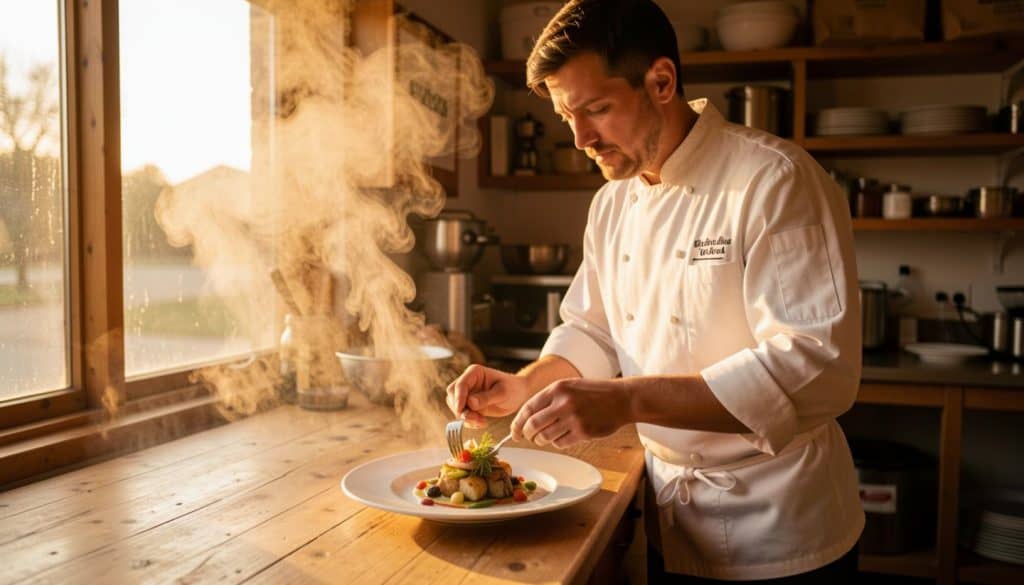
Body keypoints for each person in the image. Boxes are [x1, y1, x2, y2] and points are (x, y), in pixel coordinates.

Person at [446, 0, 864, 581]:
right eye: (567, 116)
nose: (581, 138)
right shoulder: (612, 203)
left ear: (661, 82)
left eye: (597, 109)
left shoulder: (773, 180)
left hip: (780, 529)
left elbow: (816, 366)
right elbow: (593, 331)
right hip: (672, 518)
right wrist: (525, 385)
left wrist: (626, 401)